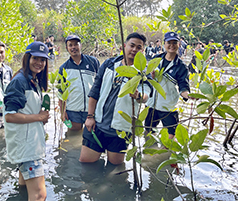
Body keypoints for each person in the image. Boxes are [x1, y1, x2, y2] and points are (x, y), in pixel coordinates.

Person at [79, 32, 152, 165]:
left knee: (115, 168)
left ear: (143, 51)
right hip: (97, 125)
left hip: (121, 130)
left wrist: (138, 96)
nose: (134, 50)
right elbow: (95, 91)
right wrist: (90, 116)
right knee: (86, 163)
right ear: (124, 46)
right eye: (132, 45)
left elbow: (146, 93)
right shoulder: (109, 64)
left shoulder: (143, 73)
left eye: (139, 47)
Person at [3, 41, 50, 201]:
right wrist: (39, 117)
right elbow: (9, 116)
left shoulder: (33, 80)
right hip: (27, 146)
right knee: (39, 195)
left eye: (43, 60)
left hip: (30, 142)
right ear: (27, 58)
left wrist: (40, 117)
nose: (39, 63)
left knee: (24, 188)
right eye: (35, 58)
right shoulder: (19, 81)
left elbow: (25, 110)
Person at [145, 31, 191, 139]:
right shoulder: (156, 59)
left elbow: (183, 86)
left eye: (174, 42)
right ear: (164, 44)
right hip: (151, 104)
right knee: (148, 131)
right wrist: (150, 76)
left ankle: (166, 155)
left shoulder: (181, 67)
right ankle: (149, 153)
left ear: (178, 44)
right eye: (169, 42)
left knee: (171, 135)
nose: (171, 45)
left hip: (168, 106)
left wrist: (188, 95)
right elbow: (147, 78)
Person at [58, 35, 100, 131]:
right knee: (73, 136)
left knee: (91, 137)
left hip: (91, 109)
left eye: (76, 44)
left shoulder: (93, 62)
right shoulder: (64, 68)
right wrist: (62, 112)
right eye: (70, 45)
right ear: (67, 48)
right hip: (73, 109)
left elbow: (100, 85)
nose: (73, 47)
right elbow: (61, 92)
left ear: (80, 45)